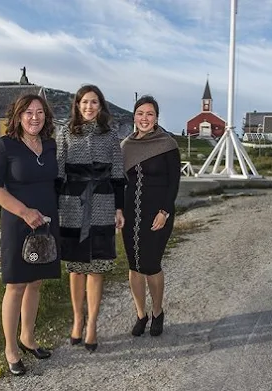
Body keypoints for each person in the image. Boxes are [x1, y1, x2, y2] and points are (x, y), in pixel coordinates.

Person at [0, 94, 61, 376]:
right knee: (16, 285)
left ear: (46, 117)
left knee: (36, 282)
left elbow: (57, 181)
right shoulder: (6, 146)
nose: (34, 117)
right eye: (29, 112)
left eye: (40, 112)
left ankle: (27, 337)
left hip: (46, 222)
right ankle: (11, 349)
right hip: (19, 223)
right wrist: (25, 212)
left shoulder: (51, 145)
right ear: (18, 116)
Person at [56, 84, 126, 352]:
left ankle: (93, 324)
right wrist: (56, 206)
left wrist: (119, 209)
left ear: (101, 105)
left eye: (94, 102)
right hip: (72, 206)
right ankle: (77, 319)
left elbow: (118, 174)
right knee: (75, 269)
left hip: (102, 202)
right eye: (85, 102)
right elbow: (59, 172)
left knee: (96, 269)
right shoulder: (64, 133)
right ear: (77, 104)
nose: (89, 107)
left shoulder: (110, 135)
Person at [120, 95, 180, 337]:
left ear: (156, 118)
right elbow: (118, 181)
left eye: (150, 114)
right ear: (134, 117)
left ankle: (157, 312)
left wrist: (165, 211)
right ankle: (140, 314)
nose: (144, 118)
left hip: (158, 214)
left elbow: (174, 182)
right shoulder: (126, 146)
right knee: (134, 266)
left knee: (151, 265)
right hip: (130, 213)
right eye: (140, 114)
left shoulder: (167, 144)